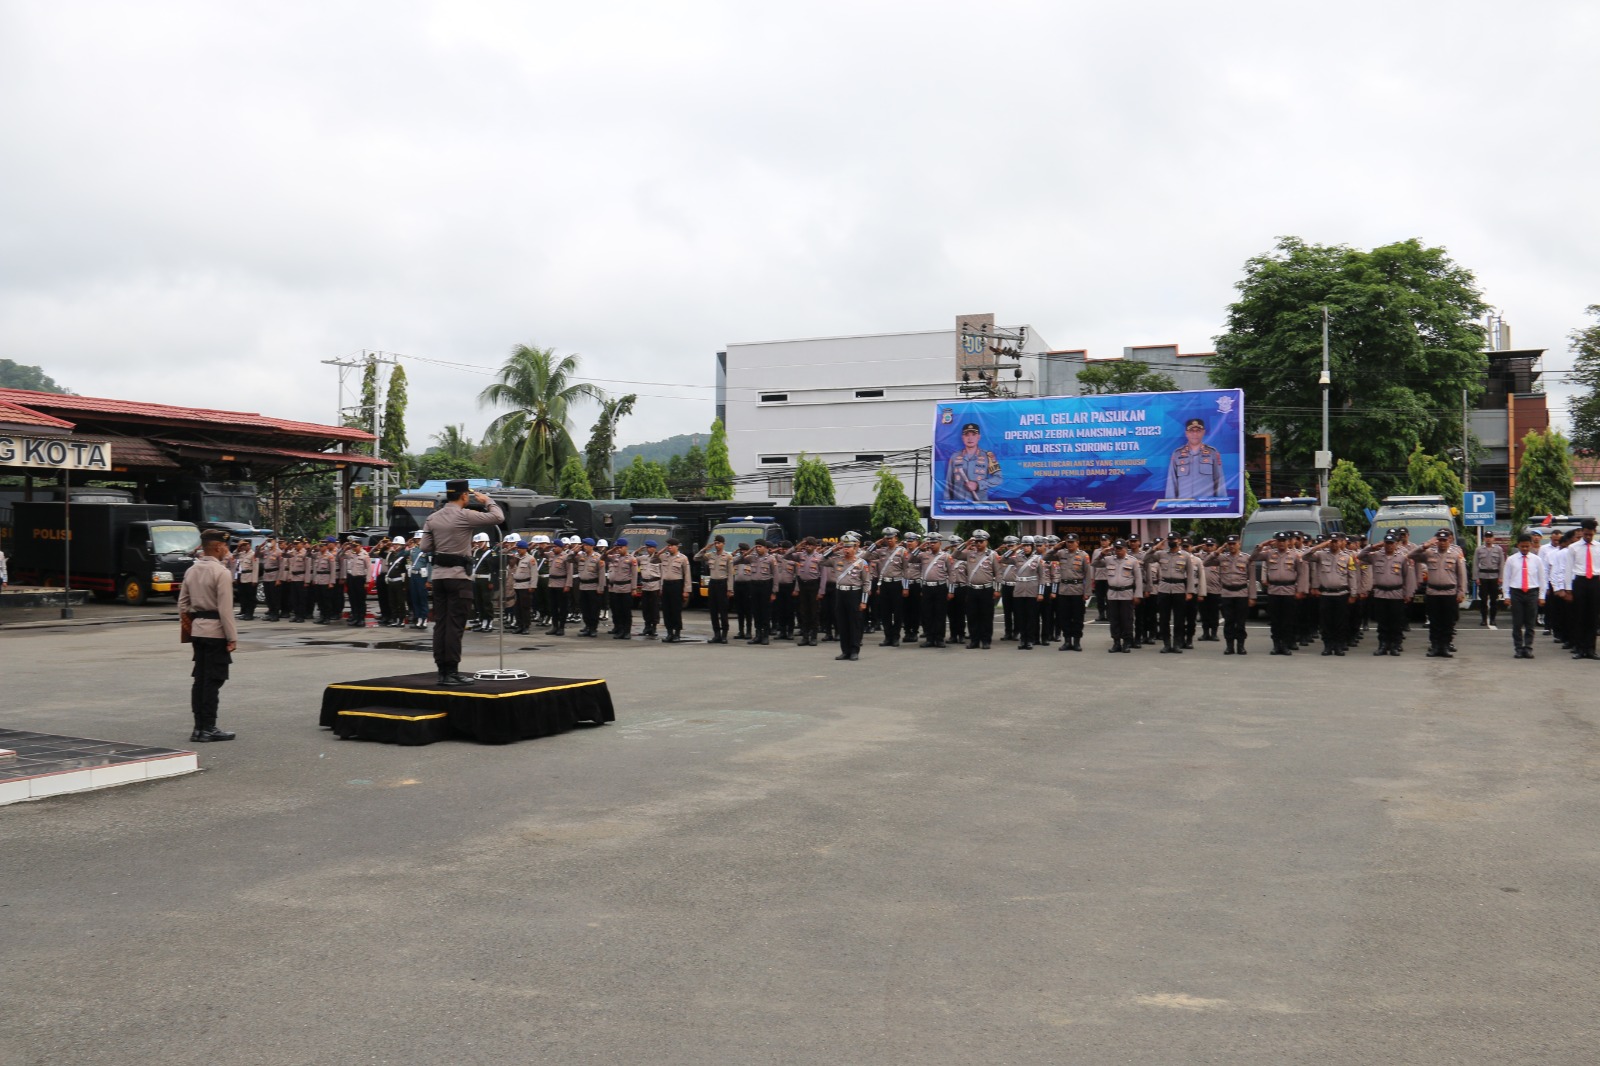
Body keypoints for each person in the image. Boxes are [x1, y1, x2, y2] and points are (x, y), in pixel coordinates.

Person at [418, 481, 505, 685]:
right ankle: (451, 672)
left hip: (439, 577)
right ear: (464, 496)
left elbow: (424, 547)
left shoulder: (432, 517)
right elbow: (499, 517)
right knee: (455, 626)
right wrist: (487, 501)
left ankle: (442, 670)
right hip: (458, 578)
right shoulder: (464, 516)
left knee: (441, 624)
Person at [178, 528, 239, 741]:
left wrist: (193, 627)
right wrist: (232, 637)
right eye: (226, 546)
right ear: (218, 547)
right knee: (213, 681)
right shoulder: (221, 572)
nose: (227, 550)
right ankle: (209, 728)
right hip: (216, 633)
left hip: (198, 630)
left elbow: (183, 604)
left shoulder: (191, 570)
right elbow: (225, 610)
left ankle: (198, 728)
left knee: (200, 679)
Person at [1409, 528, 1468, 658]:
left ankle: (1445, 646)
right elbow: (1411, 555)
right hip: (1433, 593)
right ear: (1436, 541)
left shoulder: (1455, 554)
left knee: (1447, 622)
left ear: (1449, 541)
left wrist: (1461, 591)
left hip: (1449, 593)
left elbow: (1462, 575)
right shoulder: (1429, 553)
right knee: (1434, 622)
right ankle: (1435, 646)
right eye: (1440, 540)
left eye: (1444, 540)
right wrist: (1425, 545)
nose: (1442, 543)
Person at [821, 535, 871, 661]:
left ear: (855, 548)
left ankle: (854, 650)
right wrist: (833, 548)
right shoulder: (837, 560)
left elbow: (866, 583)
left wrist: (864, 601)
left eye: (849, 547)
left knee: (854, 623)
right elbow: (821, 560)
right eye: (844, 547)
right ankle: (845, 651)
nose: (846, 549)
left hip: (854, 594)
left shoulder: (861, 563)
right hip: (840, 594)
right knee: (842, 623)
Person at [1558, 518, 1600, 660]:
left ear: (1595, 532)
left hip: (1594, 581)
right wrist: (1568, 590)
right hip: (1580, 581)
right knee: (1580, 616)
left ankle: (1591, 649)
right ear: (1582, 532)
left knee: (1593, 617)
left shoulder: (1598, 547)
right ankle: (1580, 648)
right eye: (1585, 534)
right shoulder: (1573, 548)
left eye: (1590, 534)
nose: (1588, 537)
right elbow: (1568, 570)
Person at [1204, 535, 1254, 654]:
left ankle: (1241, 646)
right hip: (1227, 594)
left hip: (1241, 593)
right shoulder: (1222, 558)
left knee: (1240, 622)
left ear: (1239, 544)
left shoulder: (1246, 558)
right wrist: (1217, 551)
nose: (1231, 546)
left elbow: (1252, 579)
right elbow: (1205, 562)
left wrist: (1252, 596)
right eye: (1229, 544)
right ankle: (1229, 646)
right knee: (1229, 621)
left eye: (1234, 544)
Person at [1501, 533, 1545, 659]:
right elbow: (1507, 578)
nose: (1525, 549)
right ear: (1518, 545)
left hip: (1532, 592)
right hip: (1516, 592)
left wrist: (1541, 596)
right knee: (1517, 623)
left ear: (1531, 545)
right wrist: (1506, 596)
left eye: (1527, 546)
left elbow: (1542, 579)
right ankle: (1518, 648)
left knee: (1530, 623)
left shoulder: (1537, 560)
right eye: (1522, 546)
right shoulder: (1511, 560)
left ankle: (1528, 648)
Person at [1164, 418, 1225, 498]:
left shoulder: (1212, 453)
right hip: (1183, 505)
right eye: (1191, 431)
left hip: (1206, 506)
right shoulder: (1177, 454)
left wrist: (1222, 504)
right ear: (1186, 433)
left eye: (1198, 431)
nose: (1195, 434)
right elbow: (1171, 482)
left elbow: (1219, 480)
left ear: (1203, 432)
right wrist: (1170, 505)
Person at [1103, 539, 1143, 653]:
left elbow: (1138, 579)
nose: (1118, 551)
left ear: (1126, 549)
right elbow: (1095, 563)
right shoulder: (1109, 559)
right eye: (1116, 548)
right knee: (1114, 619)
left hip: (1126, 594)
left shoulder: (1133, 561)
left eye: (1120, 549)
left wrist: (1138, 595)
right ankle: (1116, 642)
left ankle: (1126, 642)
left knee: (1126, 619)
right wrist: (1103, 553)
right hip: (1112, 594)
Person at [945, 422, 1003, 502]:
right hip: (958, 506)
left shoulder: (988, 456)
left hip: (979, 506)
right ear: (962, 437)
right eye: (967, 435)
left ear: (979, 437)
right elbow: (949, 483)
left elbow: (998, 478)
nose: (970, 438)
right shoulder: (954, 457)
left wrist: (978, 485)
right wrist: (947, 504)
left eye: (973, 435)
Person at [695, 536, 733, 643]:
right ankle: (717, 634)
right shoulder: (710, 555)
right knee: (713, 611)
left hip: (722, 584)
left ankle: (724, 635)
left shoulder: (728, 557)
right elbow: (696, 558)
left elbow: (730, 574)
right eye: (715, 543)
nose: (717, 545)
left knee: (723, 610)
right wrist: (705, 548)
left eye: (719, 543)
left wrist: (730, 589)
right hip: (713, 584)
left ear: (723, 544)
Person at [659, 539, 692, 642]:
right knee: (666, 610)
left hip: (677, 585)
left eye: (672, 545)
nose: (669, 547)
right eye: (668, 545)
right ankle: (669, 633)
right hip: (666, 585)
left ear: (677, 546)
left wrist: (686, 590)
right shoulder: (664, 556)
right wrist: (664, 549)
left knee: (676, 610)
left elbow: (687, 575)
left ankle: (677, 633)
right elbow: (654, 557)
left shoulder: (683, 558)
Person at [1474, 531, 1506, 629]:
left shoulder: (1498, 549)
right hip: (1483, 577)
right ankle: (1484, 619)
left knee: (1494, 600)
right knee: (1483, 600)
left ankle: (1493, 619)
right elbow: (1475, 564)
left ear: (1493, 538)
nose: (1488, 539)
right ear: (1484, 538)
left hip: (1494, 577)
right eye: (1486, 537)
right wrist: (1476, 577)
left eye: (1490, 537)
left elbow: (1501, 564)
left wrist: (1501, 577)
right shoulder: (1479, 549)